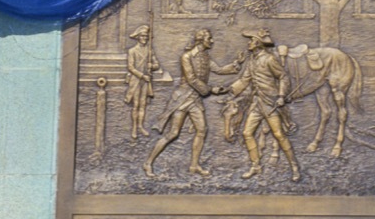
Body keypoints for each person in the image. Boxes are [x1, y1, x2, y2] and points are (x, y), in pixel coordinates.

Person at [144, 28, 241, 178]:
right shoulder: (187, 56)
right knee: (172, 133)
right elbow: (192, 79)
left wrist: (235, 64)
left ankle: (194, 165)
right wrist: (211, 89)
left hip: (195, 100)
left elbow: (219, 70)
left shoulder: (205, 57)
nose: (212, 41)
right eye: (210, 38)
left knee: (202, 131)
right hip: (183, 99)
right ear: (201, 40)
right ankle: (148, 163)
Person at [229, 28, 301, 182]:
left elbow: (283, 76)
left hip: (270, 103)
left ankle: (294, 167)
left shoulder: (269, 59)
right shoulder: (252, 60)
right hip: (257, 103)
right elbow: (244, 80)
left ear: (257, 43)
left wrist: (281, 95)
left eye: (251, 40)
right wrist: (229, 91)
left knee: (279, 135)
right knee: (247, 134)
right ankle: (256, 166)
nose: (248, 43)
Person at [124, 24, 160, 140]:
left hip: (146, 81)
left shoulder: (150, 51)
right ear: (138, 37)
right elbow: (130, 67)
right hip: (136, 80)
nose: (145, 38)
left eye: (146, 36)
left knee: (143, 104)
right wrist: (142, 76)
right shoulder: (132, 51)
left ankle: (140, 126)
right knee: (136, 105)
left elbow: (156, 64)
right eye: (142, 36)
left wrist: (152, 66)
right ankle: (134, 128)